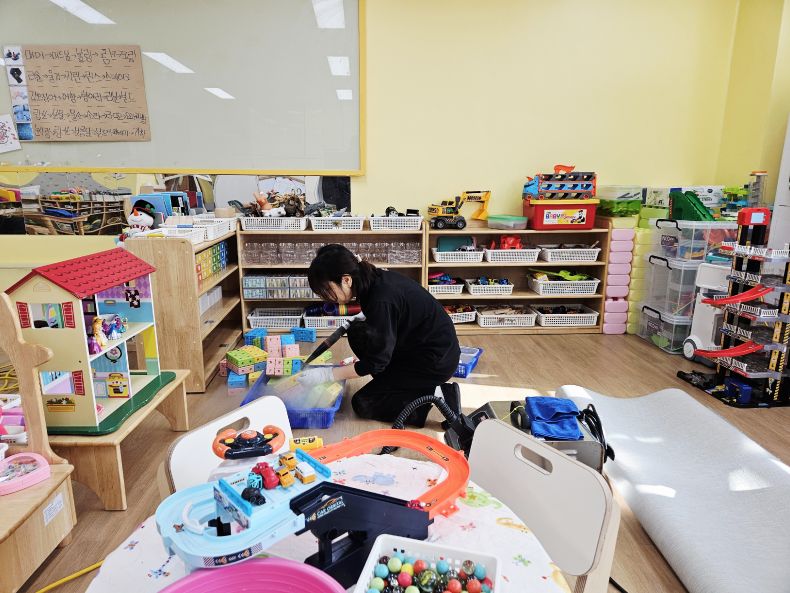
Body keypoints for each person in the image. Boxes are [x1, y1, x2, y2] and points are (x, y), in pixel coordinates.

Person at [297, 244, 461, 427]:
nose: (325, 298)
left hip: (434, 362)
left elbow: (376, 362)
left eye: (327, 291)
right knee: (357, 333)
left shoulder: (381, 299)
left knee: (363, 403)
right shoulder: (373, 279)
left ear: (346, 280)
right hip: (419, 347)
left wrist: (327, 374)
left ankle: (437, 394)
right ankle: (401, 385)